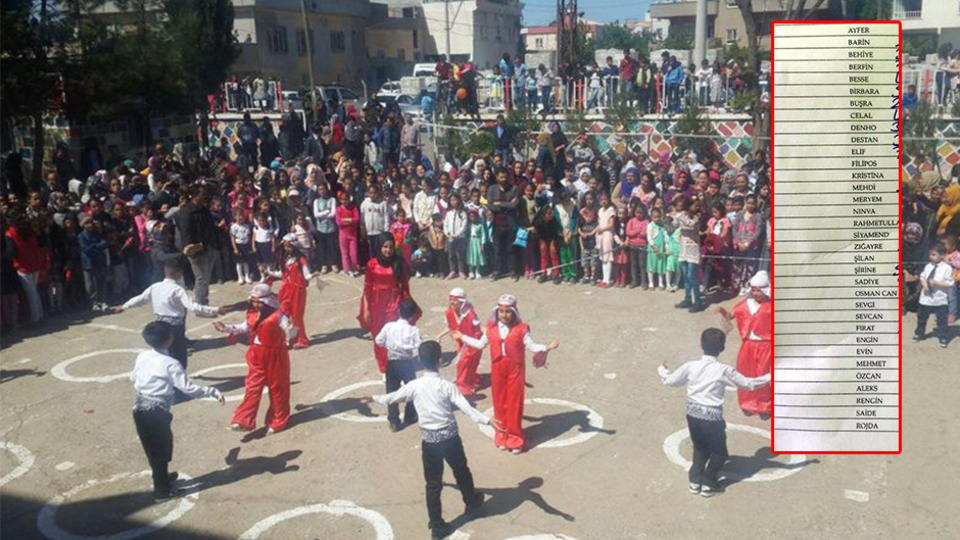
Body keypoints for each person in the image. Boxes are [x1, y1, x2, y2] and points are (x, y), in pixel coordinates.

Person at [361, 341, 502, 540]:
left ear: (420, 360)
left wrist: (374, 398)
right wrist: (487, 420)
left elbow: (393, 397)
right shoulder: (447, 386)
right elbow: (467, 408)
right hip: (450, 438)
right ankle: (471, 501)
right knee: (461, 470)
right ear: (439, 360)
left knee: (433, 484)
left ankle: (436, 525)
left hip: (430, 442)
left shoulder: (415, 386)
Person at [657, 328, 771, 497]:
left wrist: (662, 370)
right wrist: (771, 376)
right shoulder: (724, 370)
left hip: (693, 414)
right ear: (722, 348)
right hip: (712, 418)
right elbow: (749, 384)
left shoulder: (691, 366)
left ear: (701, 345)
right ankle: (709, 484)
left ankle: (694, 481)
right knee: (719, 454)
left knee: (700, 448)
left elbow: (670, 381)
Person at [131, 321, 225, 500]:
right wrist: (211, 391)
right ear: (169, 339)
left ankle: (161, 478)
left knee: (152, 448)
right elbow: (189, 389)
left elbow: (133, 377)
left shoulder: (142, 356)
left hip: (139, 408)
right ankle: (162, 491)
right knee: (161, 450)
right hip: (157, 413)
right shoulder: (170, 364)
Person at [454, 294, 559, 453]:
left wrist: (546, 347)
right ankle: (502, 436)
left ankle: (515, 438)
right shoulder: (491, 329)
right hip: (497, 369)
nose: (504, 315)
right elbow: (480, 344)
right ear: (497, 311)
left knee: (514, 403)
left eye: (508, 311)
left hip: (515, 370)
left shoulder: (522, 329)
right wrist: (462, 337)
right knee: (499, 402)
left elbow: (531, 346)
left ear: (514, 312)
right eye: (501, 311)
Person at [215, 284, 295, 433]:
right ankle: (242, 421)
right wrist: (225, 328)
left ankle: (278, 421)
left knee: (278, 389)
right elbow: (243, 327)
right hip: (256, 355)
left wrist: (291, 333)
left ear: (267, 301)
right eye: (254, 301)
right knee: (252, 386)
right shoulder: (253, 314)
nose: (256, 305)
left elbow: (291, 331)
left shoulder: (279, 316)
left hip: (275, 356)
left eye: (259, 302)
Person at [117, 260, 225, 368]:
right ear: (179, 274)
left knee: (164, 353)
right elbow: (193, 307)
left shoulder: (155, 287)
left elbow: (140, 299)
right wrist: (216, 310)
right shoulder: (177, 290)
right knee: (179, 356)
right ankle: (178, 375)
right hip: (176, 327)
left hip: (160, 326)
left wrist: (124, 306)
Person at [359, 232, 421, 373]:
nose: (388, 250)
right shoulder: (371, 264)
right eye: (385, 247)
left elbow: (404, 285)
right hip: (376, 303)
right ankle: (384, 366)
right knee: (378, 334)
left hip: (394, 302)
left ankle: (396, 363)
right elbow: (367, 287)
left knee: (394, 333)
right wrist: (366, 309)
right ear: (379, 247)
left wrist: (407, 304)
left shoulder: (398, 262)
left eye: (391, 247)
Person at [716, 271, 773, 418]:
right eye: (753, 290)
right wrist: (722, 312)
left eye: (758, 290)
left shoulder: (772, 306)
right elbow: (731, 316)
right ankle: (747, 404)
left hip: (765, 346)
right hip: (748, 345)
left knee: (762, 375)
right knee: (745, 374)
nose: (755, 293)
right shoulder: (744, 305)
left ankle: (764, 405)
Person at [374, 298, 422, 431]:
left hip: (392, 362)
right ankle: (410, 416)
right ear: (413, 315)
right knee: (411, 390)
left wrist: (390, 346)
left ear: (399, 311)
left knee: (391, 391)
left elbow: (378, 341)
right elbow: (419, 346)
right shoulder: (413, 330)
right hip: (407, 362)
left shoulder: (389, 326)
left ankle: (394, 421)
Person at [271, 234, 322, 350]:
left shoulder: (301, 259)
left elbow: (306, 275)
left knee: (297, 316)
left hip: (297, 291)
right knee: (282, 313)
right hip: (285, 290)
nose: (286, 248)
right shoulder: (285, 258)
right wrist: (269, 272)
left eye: (288, 246)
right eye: (285, 246)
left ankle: (302, 340)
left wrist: (312, 275)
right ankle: (289, 338)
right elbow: (282, 274)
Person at [175, 185, 221, 305]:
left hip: (209, 247)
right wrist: (192, 253)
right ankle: (199, 305)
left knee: (206, 278)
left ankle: (204, 301)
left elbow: (211, 228)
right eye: (202, 194)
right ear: (195, 196)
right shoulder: (186, 212)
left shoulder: (204, 210)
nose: (205, 196)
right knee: (201, 279)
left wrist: (215, 245)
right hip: (197, 251)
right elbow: (186, 234)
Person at [442, 288, 483, 396]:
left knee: (465, 363)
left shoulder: (470, 315)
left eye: (455, 300)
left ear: (462, 301)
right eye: (451, 299)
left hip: (472, 342)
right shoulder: (450, 312)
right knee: (464, 364)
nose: (452, 302)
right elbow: (451, 327)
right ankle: (468, 381)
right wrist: (440, 336)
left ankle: (463, 387)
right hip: (461, 342)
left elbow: (477, 332)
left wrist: (469, 342)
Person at [914, 244, 955, 348]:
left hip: (940, 300)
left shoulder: (947, 268)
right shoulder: (928, 266)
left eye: (933, 255)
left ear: (942, 255)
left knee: (942, 320)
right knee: (922, 318)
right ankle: (919, 333)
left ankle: (943, 337)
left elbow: (950, 283)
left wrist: (937, 283)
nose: (931, 257)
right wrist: (925, 286)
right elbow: (922, 277)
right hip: (926, 299)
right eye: (930, 255)